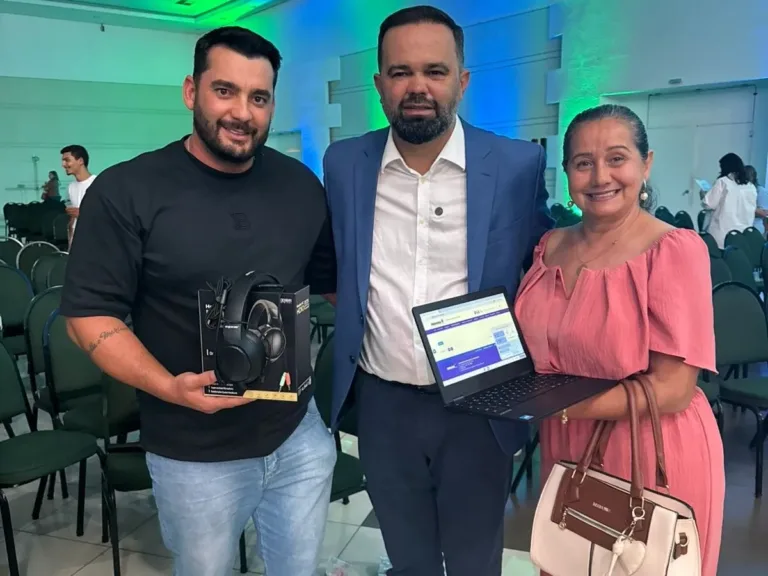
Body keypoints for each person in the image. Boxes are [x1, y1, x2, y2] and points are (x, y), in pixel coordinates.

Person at [59, 26, 337, 576]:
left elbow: (329, 287)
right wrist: (168, 388)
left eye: (259, 97)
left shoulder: (302, 186)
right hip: (193, 450)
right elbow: (86, 316)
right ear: (192, 91)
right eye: (224, 91)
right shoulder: (127, 190)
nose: (242, 112)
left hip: (297, 434)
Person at [322, 6, 552, 575]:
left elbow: (547, 260)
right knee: (409, 559)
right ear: (379, 83)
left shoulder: (518, 164)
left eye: (435, 70)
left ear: (462, 80)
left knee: (475, 562)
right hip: (383, 405)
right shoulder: (345, 163)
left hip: (479, 403)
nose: (418, 86)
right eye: (400, 72)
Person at [514, 104, 724, 576]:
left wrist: (551, 406)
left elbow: (674, 388)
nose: (600, 177)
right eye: (583, 163)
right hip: (568, 444)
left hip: (651, 446)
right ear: (566, 172)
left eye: (616, 158)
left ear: (645, 164)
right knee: (567, 561)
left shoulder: (674, 249)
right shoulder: (549, 246)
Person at [701, 152, 756, 248]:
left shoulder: (723, 182)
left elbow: (709, 204)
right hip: (742, 235)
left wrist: (703, 195)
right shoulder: (751, 187)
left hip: (721, 234)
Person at [60, 144, 96, 245]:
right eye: (63, 161)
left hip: (94, 240)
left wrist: (83, 214)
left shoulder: (97, 183)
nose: (63, 164)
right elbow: (72, 219)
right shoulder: (71, 187)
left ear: (80, 161)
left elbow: (108, 214)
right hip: (77, 241)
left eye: (67, 160)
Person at [745, 164, 768, 234]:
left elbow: (765, 213)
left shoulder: (761, 191)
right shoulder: (741, 190)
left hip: (755, 227)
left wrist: (748, 208)